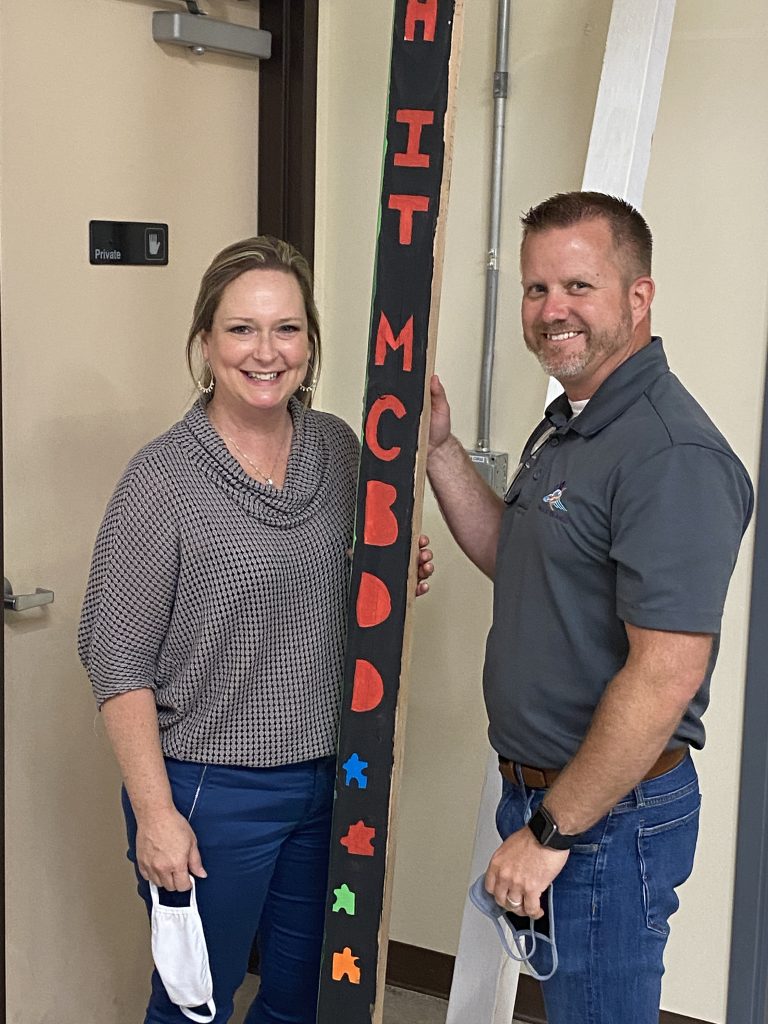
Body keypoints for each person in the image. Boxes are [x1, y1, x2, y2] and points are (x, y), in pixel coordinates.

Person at [78, 235, 433, 1024]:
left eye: (287, 329)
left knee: (306, 995)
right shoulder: (161, 479)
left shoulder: (342, 450)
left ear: (310, 342)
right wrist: (157, 814)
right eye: (242, 329)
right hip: (209, 789)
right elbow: (116, 659)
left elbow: (349, 592)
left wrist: (390, 573)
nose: (266, 352)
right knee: (194, 1002)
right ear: (205, 343)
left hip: (333, 782)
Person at [426, 192, 753, 1023]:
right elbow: (518, 556)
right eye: (536, 290)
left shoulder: (668, 454)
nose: (551, 310)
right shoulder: (572, 424)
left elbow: (666, 673)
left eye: (578, 286)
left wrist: (550, 836)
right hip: (553, 802)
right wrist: (437, 451)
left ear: (638, 298)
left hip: (606, 821)